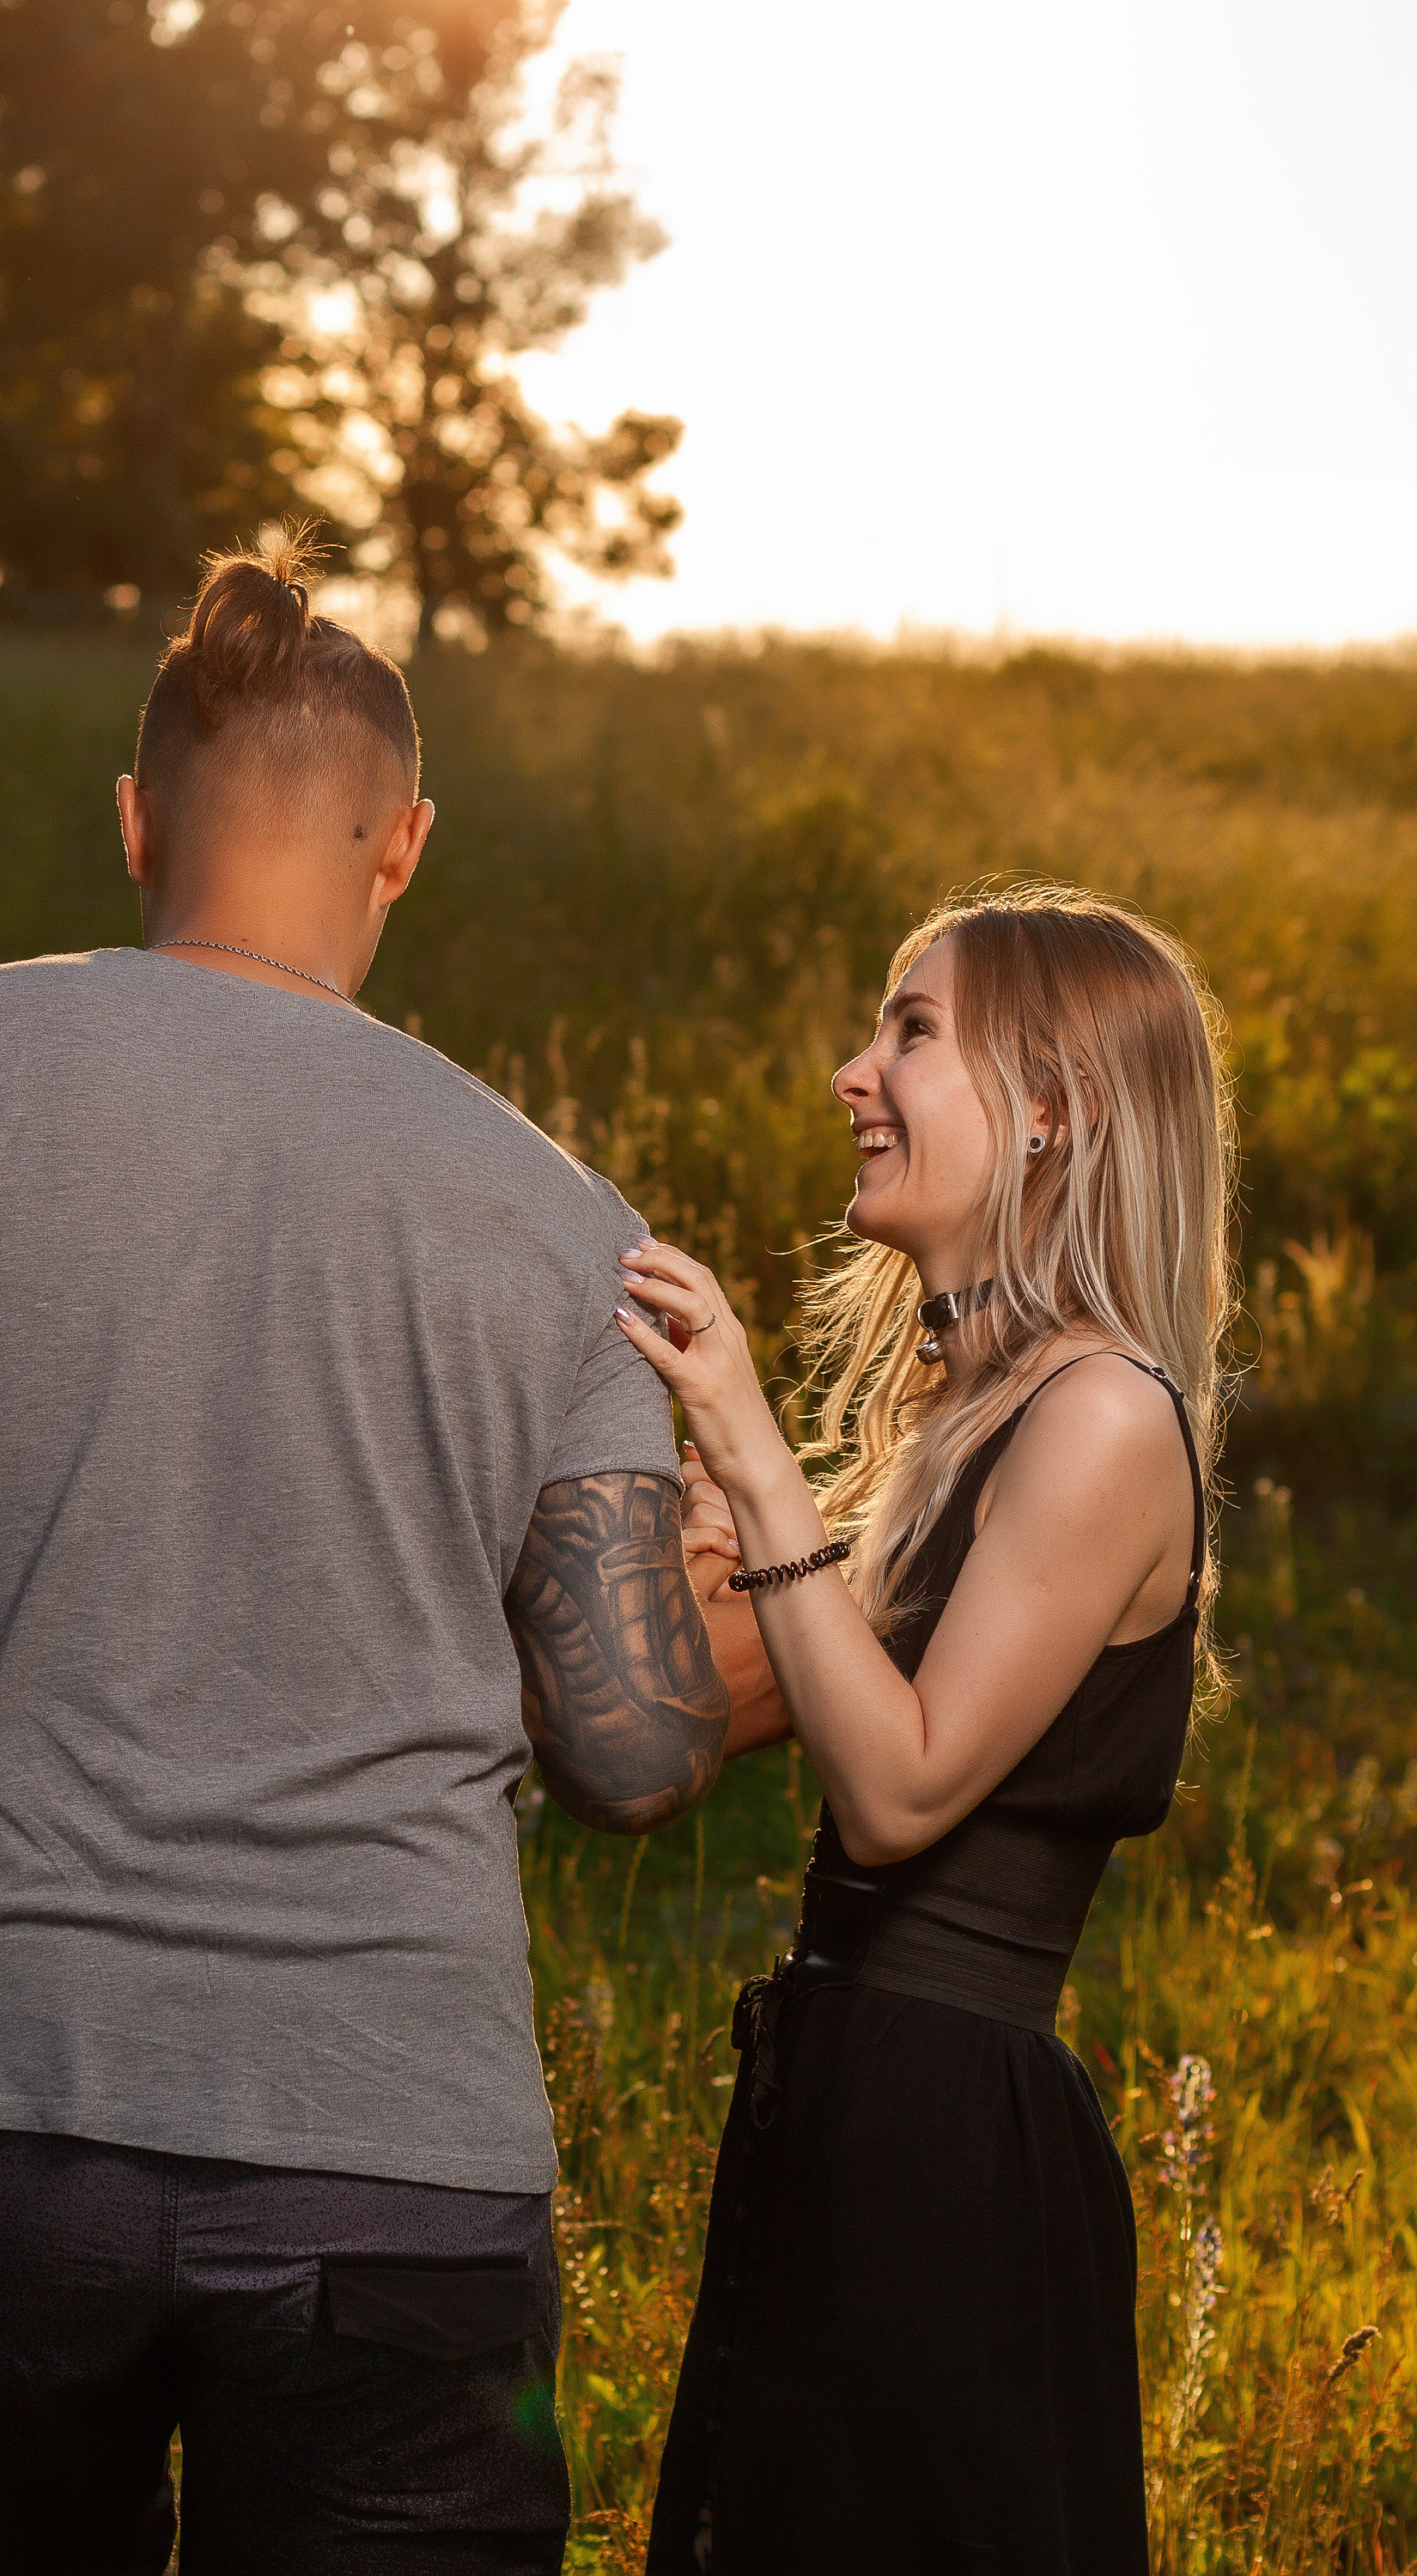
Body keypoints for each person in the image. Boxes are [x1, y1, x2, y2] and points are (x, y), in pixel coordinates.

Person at [0, 535, 728, 2573]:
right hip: (391, 2169)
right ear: (404, 845)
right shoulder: (563, 1221)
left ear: (134, 819)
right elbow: (632, 1750)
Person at [615, 887, 1233, 2574]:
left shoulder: (1104, 1414)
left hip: (944, 2151)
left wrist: (756, 1456)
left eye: (911, 1031)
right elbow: (675, 1734)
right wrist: (702, 1554)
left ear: (1052, 1108)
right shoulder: (961, 1425)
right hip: (837, 2101)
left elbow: (896, 1791)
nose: (851, 1073)